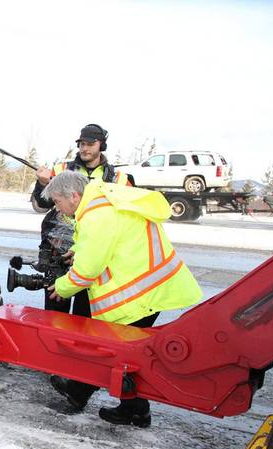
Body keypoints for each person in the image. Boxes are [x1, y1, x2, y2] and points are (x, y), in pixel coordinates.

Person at [44, 171, 202, 427]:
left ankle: (87, 394)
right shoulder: (102, 201)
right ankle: (128, 407)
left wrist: (61, 288)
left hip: (143, 292)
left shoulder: (97, 215)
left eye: (57, 201)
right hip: (152, 286)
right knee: (127, 354)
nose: (57, 207)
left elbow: (88, 271)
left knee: (119, 353)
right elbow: (108, 242)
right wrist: (79, 250)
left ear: (73, 196)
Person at [28, 124, 131, 404]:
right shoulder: (61, 168)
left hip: (93, 250)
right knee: (56, 307)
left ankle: (79, 364)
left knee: (87, 313)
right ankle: (55, 360)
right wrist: (41, 183)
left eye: (90, 143)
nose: (85, 148)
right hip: (57, 249)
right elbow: (39, 206)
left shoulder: (120, 177)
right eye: (81, 143)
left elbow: (125, 212)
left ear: (101, 145)